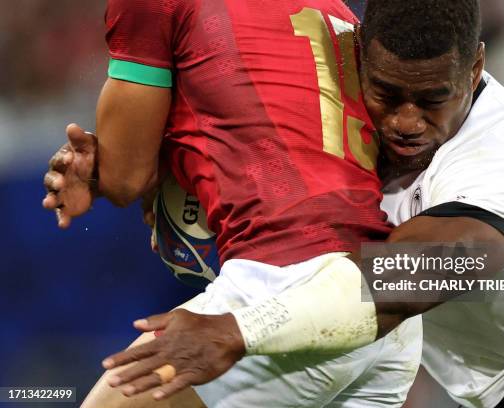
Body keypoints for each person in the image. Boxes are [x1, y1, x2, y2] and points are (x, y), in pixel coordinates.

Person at [98, 0, 504, 407]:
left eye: (434, 99)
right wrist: (99, 167)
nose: (406, 122)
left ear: (476, 66)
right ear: (359, 50)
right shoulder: (331, 72)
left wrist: (241, 329)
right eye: (387, 94)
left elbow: (396, 287)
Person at [42, 0, 422, 407]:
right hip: (381, 310)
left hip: (281, 286)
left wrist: (107, 166)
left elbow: (126, 178)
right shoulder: (341, 14)